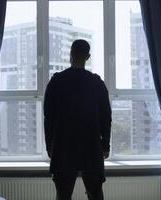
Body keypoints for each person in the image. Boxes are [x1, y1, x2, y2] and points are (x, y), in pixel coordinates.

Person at [44, 39, 112, 200]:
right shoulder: (96, 83)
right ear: (88, 57)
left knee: (63, 195)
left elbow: (49, 118)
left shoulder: (57, 81)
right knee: (95, 193)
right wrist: (105, 145)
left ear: (71, 54)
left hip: (63, 146)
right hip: (91, 146)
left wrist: (49, 146)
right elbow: (106, 117)